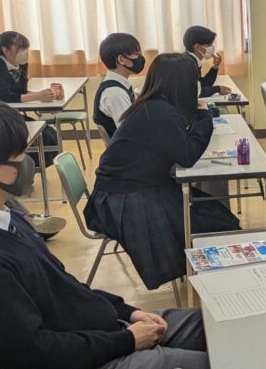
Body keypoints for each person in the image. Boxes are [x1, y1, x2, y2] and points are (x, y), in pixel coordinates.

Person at [0, 99, 217, 369]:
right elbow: (35, 355)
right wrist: (128, 341)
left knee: (215, 324)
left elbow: (66, 285)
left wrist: (129, 312)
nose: (27, 161)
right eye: (19, 153)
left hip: (107, 334)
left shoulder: (7, 218)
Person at [84, 54, 240, 291]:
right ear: (182, 83)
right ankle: (216, 286)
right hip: (124, 199)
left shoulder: (153, 105)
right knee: (218, 223)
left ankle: (210, 278)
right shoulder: (160, 112)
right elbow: (187, 156)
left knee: (215, 213)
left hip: (127, 188)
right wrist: (203, 115)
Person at [0, 31, 60, 159]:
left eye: (26, 48)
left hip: (9, 115)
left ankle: (31, 167)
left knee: (50, 134)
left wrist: (48, 93)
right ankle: (25, 167)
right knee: (39, 137)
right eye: (21, 49)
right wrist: (38, 96)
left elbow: (21, 91)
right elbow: (2, 97)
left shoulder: (20, 65)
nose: (25, 52)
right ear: (6, 50)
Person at [93, 33, 144, 139]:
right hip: (127, 148)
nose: (140, 57)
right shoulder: (116, 93)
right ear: (121, 59)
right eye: (136, 53)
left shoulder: (120, 86)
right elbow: (131, 133)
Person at [182, 25, 231, 98]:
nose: (211, 47)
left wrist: (215, 67)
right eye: (208, 45)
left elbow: (203, 84)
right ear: (197, 47)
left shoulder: (191, 60)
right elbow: (196, 92)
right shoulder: (187, 64)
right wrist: (218, 89)